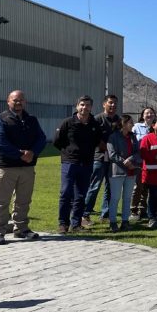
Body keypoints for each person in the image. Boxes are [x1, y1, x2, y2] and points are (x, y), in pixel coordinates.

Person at [0, 90, 47, 245]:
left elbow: (41, 139)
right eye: (15, 100)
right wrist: (20, 154)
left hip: (27, 168)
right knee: (1, 201)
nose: (18, 102)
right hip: (6, 168)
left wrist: (33, 152)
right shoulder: (0, 119)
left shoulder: (32, 120)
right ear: (8, 101)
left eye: (21, 100)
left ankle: (21, 229)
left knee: (23, 200)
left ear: (25, 102)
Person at [54, 95, 104, 234]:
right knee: (65, 193)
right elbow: (57, 141)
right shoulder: (68, 122)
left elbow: (96, 141)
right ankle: (63, 224)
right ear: (77, 106)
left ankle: (76, 224)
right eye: (82, 104)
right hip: (69, 163)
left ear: (91, 107)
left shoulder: (94, 124)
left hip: (86, 163)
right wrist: (69, 153)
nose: (84, 107)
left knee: (81, 195)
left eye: (87, 105)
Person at [82, 94, 119, 227]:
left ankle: (106, 214)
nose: (113, 105)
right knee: (94, 186)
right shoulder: (97, 119)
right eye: (110, 103)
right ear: (104, 104)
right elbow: (92, 137)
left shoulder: (117, 120)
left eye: (115, 103)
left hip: (113, 159)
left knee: (110, 188)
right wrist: (102, 146)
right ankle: (84, 214)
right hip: (99, 157)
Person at [106, 115, 141, 232]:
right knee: (115, 198)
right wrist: (125, 162)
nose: (133, 124)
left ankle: (125, 222)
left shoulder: (133, 137)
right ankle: (113, 222)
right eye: (131, 122)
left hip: (131, 172)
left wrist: (131, 159)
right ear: (123, 124)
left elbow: (138, 152)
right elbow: (112, 154)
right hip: (117, 172)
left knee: (127, 198)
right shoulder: (113, 137)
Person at [131, 107, 156, 221]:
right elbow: (131, 143)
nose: (149, 115)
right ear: (142, 115)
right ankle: (133, 210)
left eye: (151, 113)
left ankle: (143, 209)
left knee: (146, 187)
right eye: (147, 113)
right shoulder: (136, 127)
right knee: (138, 186)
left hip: (152, 162)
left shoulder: (156, 128)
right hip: (139, 161)